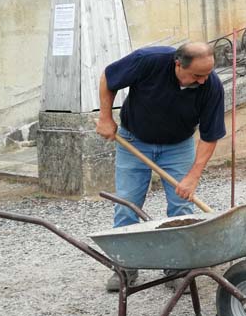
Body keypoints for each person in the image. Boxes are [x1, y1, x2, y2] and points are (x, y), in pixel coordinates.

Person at [96, 42, 226, 291]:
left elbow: (210, 136)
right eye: (197, 75)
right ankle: (125, 267)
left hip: (178, 146)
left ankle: (178, 266)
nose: (202, 81)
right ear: (178, 64)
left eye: (207, 74)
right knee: (127, 204)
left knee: (181, 208)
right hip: (134, 140)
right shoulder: (149, 60)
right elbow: (108, 78)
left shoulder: (211, 86)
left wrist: (193, 177)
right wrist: (105, 117)